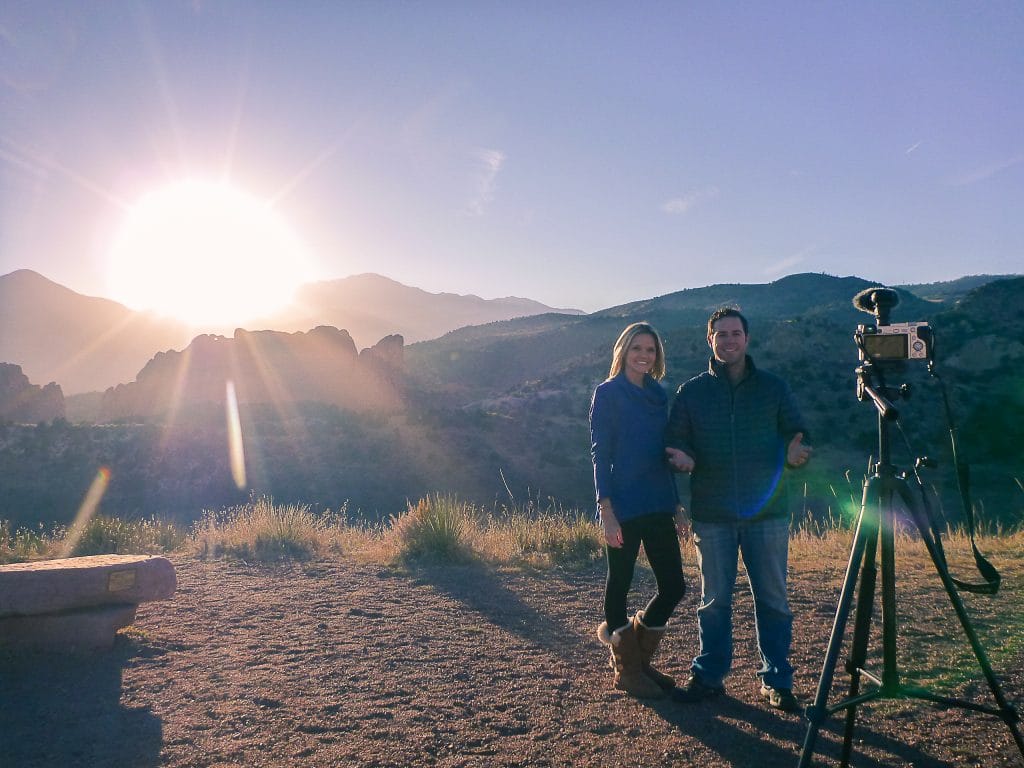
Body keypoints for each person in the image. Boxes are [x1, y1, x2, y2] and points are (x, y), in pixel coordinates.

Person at [666, 307, 811, 712]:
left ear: (747, 338)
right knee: (714, 600)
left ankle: (777, 680)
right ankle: (710, 676)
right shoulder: (691, 392)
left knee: (773, 599)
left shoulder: (774, 388)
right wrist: (682, 457)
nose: (728, 340)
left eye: (735, 333)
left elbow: (797, 434)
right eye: (721, 335)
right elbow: (677, 439)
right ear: (710, 340)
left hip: (767, 513)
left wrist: (798, 452)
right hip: (712, 514)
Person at [590, 322, 689, 699]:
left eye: (650, 349)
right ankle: (628, 669)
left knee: (674, 585)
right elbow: (600, 453)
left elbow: (663, 454)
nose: (644, 356)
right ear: (623, 351)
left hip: (659, 501)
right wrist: (606, 509)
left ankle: (638, 660)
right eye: (637, 349)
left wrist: (677, 504)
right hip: (623, 504)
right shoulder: (608, 393)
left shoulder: (659, 394)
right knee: (620, 581)